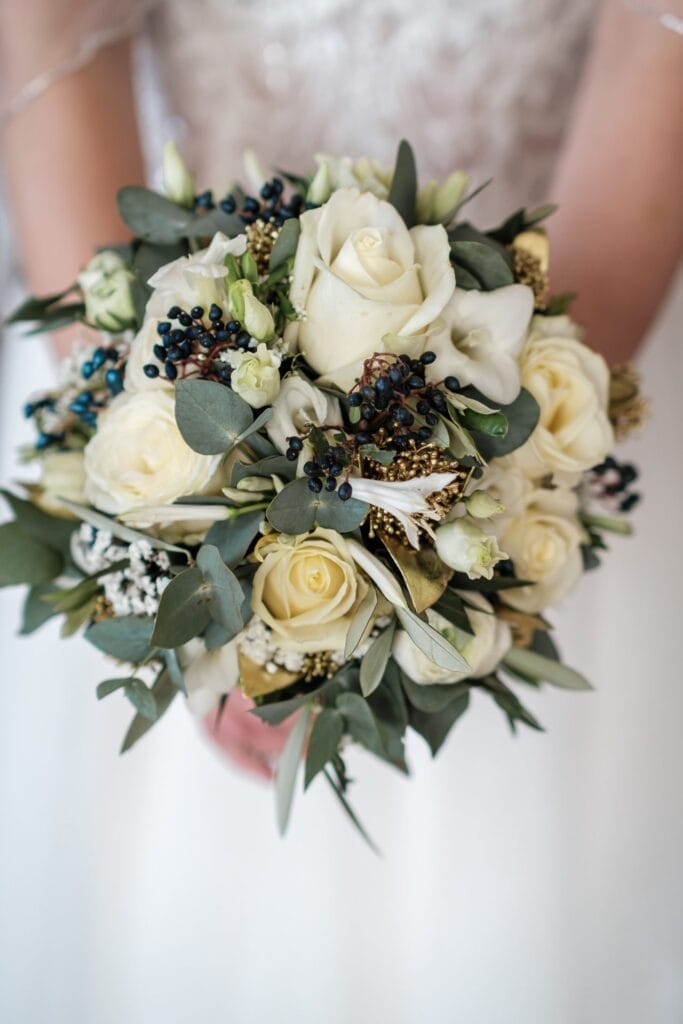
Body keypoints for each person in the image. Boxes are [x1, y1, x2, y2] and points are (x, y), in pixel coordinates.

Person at [0, 2, 681, 1021]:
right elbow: (53, 40)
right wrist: (187, 543)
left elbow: (656, 41)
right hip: (181, 335)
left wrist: (509, 479)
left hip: (572, 311)